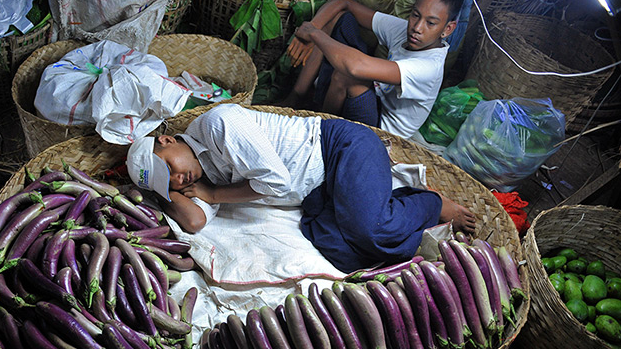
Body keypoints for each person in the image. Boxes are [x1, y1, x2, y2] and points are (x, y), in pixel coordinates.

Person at [127, 104, 475, 272]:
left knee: (371, 231)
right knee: (345, 256)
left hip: (340, 149)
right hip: (319, 194)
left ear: (168, 139)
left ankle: (430, 202)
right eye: (168, 182)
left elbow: (276, 181)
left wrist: (215, 195)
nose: (179, 179)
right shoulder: (199, 178)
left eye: (169, 166)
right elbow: (194, 223)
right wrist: (165, 190)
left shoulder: (219, 125)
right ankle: (393, 204)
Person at [279, 0, 466, 139]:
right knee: (341, 19)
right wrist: (312, 27)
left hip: (381, 135)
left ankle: (319, 132)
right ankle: (295, 97)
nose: (417, 28)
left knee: (348, 75)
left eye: (431, 23)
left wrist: (313, 33)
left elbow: (355, 67)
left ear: (447, 29)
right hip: (374, 101)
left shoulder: (429, 68)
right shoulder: (405, 30)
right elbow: (343, 3)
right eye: (415, 15)